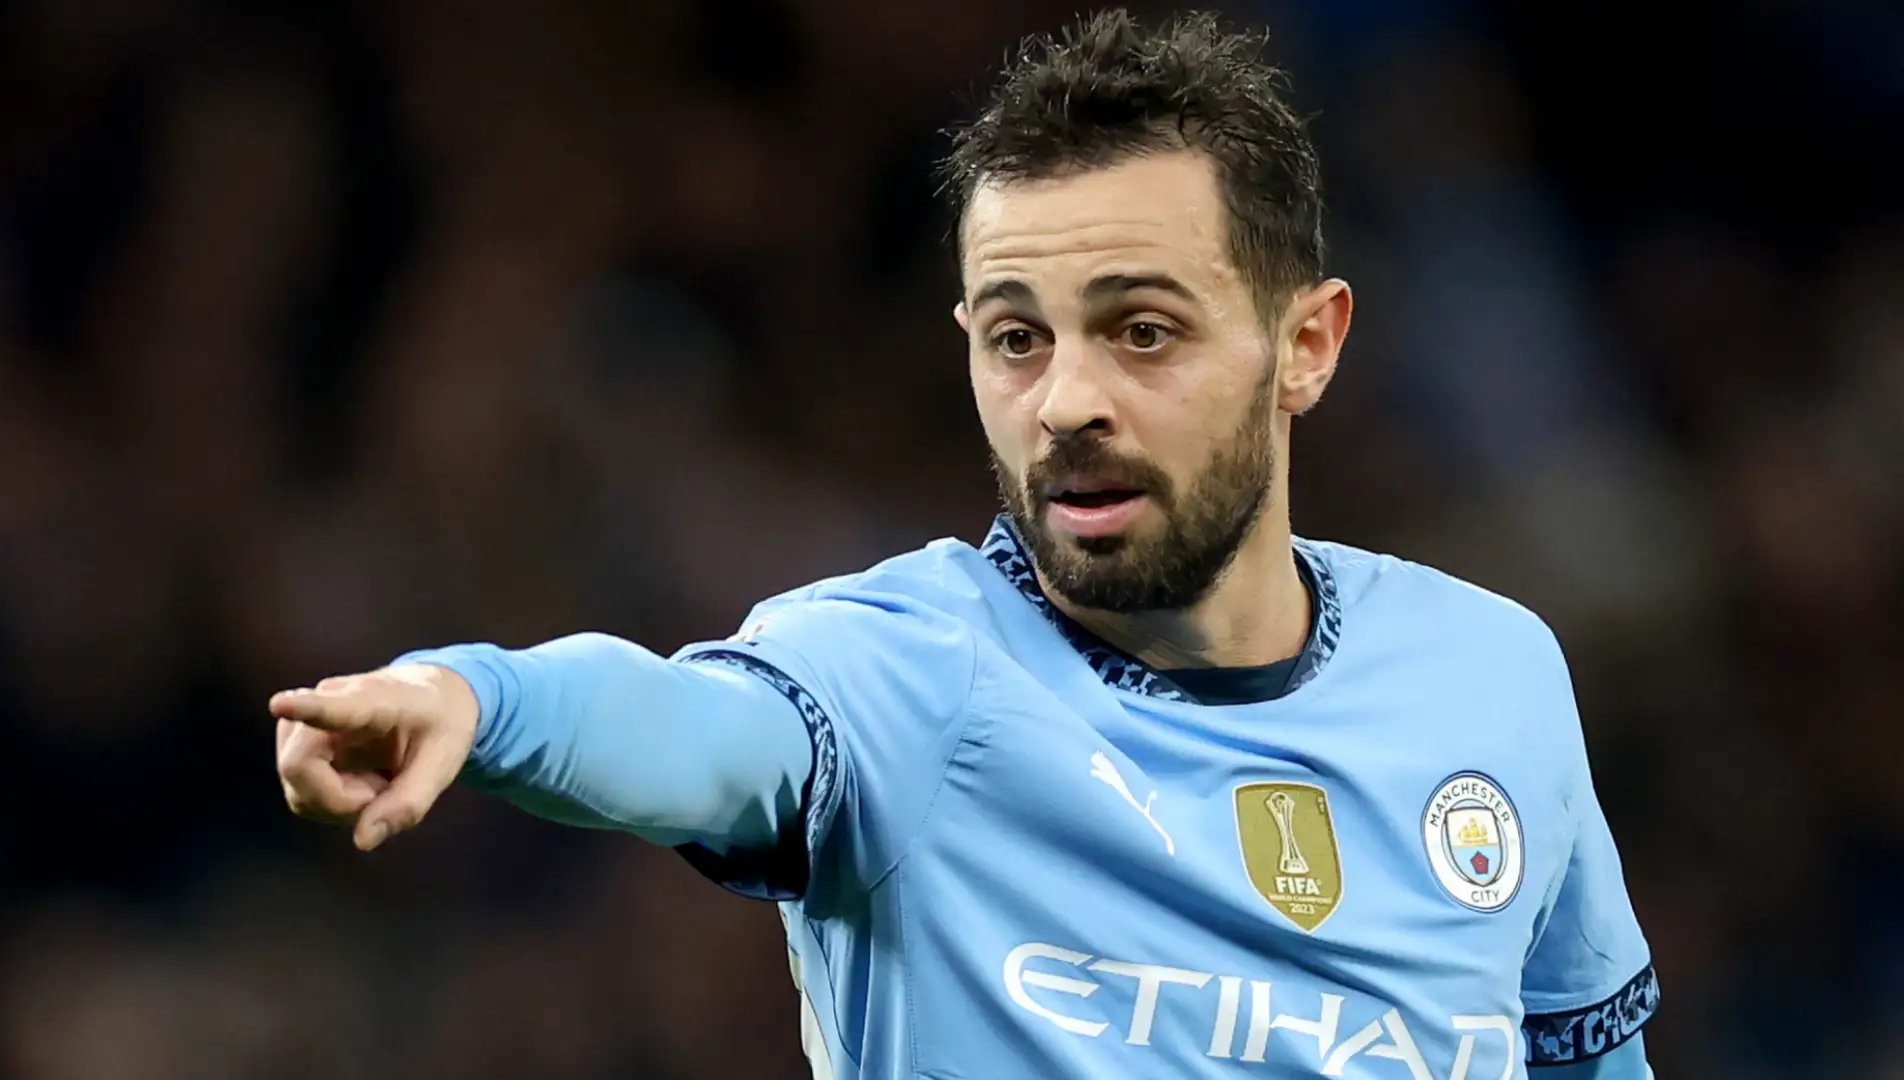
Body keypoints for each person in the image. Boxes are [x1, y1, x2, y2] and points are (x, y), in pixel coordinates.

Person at [272, 10, 1658, 1077]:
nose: (1065, 402)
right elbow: (695, 729)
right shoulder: (911, 675)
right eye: (1016, 337)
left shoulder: (1493, 676)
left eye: (1142, 331)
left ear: (1305, 344)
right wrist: (478, 699)